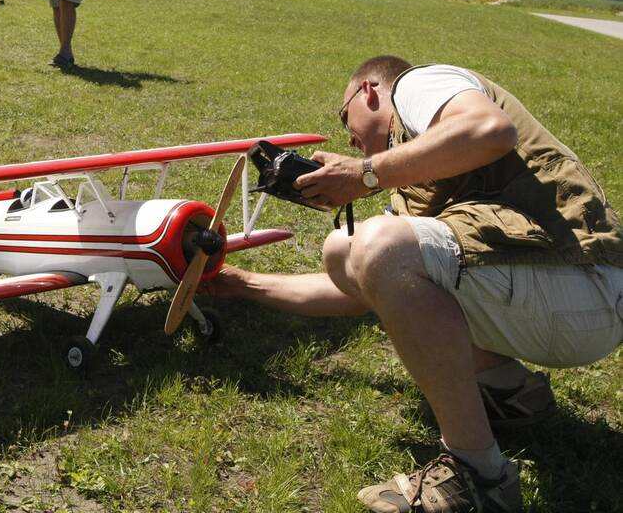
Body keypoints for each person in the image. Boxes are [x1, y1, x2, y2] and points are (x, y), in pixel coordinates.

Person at [207, 55, 623, 512]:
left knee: (375, 245)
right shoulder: (413, 185)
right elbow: (362, 291)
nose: (349, 136)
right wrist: (241, 283)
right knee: (344, 252)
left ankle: (479, 476)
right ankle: (511, 393)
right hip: (573, 297)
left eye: (346, 117)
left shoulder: (417, 85)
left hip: (584, 275)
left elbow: (491, 130)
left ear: (369, 90)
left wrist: (364, 174)